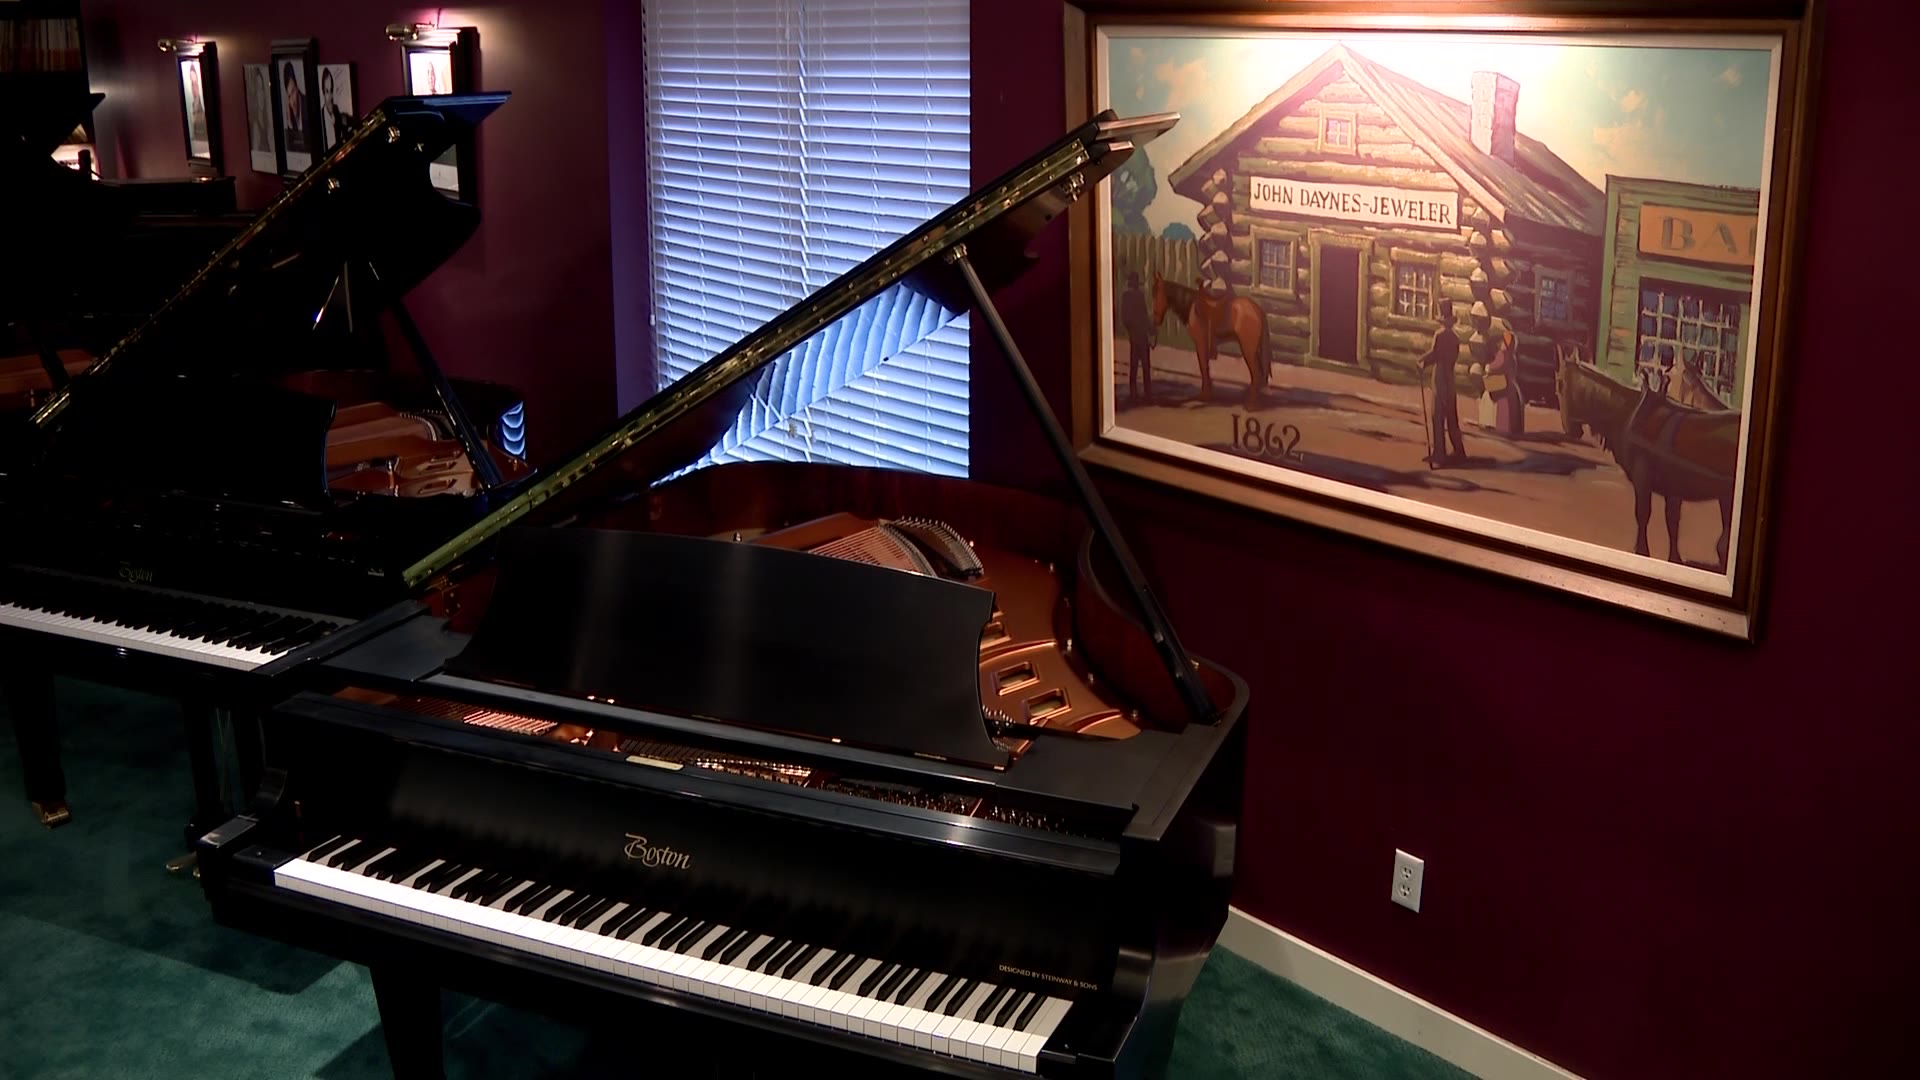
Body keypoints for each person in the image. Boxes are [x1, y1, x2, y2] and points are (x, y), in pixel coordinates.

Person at [1416, 299, 1466, 464]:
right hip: (1449, 379)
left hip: (1440, 379)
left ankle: (1439, 453)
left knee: (1437, 416)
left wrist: (1421, 361)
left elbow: (1435, 354)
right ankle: (1459, 451)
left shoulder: (1440, 335)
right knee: (1451, 416)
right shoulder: (1455, 338)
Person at [1119, 270, 1155, 402]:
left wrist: (1147, 328)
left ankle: (1136, 392)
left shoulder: (1128, 296)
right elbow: (1143, 316)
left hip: (1136, 335)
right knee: (1143, 365)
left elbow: (1126, 317)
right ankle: (1146, 392)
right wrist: (1149, 328)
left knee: (1136, 365)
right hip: (1139, 334)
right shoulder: (1136, 296)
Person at [1484, 328, 1525, 436]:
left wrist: (1488, 368)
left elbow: (1495, 367)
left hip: (1503, 385)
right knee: (1513, 407)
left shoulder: (1502, 355)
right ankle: (1514, 429)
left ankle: (1504, 429)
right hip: (1513, 387)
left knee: (1503, 406)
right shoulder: (1512, 356)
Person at [321, 68, 351, 150]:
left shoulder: (337, 111)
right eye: (327, 91)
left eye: (331, 91)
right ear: (323, 93)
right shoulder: (320, 118)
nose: (330, 97)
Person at [282, 62, 305, 151]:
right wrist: (289, 123)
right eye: (289, 96)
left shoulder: (307, 104)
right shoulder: (289, 114)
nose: (292, 101)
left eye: (293, 92)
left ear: (297, 87)